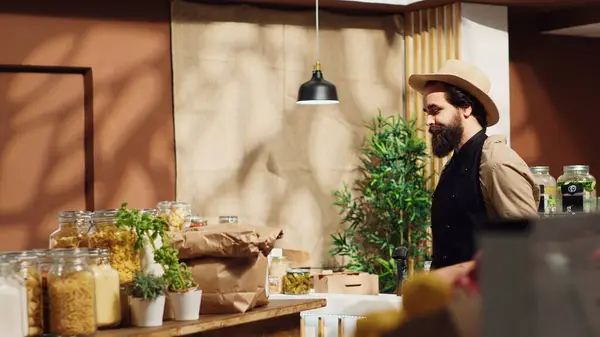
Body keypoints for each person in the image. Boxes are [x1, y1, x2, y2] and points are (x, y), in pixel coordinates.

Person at [407, 59, 540, 272]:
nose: (428, 121)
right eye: (427, 113)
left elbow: (526, 245)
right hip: (454, 300)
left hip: (490, 301)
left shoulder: (497, 162)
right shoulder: (454, 163)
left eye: (435, 110)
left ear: (466, 108)